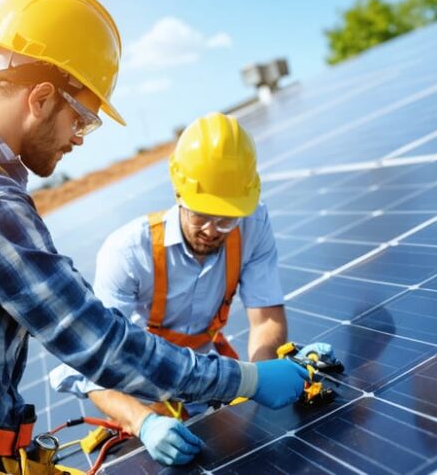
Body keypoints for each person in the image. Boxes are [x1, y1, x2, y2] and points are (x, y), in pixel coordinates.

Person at [0, 0, 307, 474]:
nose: (79, 139)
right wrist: (249, 381)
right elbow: (105, 348)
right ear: (42, 98)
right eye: (83, 120)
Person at [50, 112, 334, 466]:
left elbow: (265, 321)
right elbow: (96, 365)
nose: (213, 230)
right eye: (200, 213)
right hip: (139, 391)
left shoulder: (253, 224)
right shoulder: (127, 253)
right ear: (178, 191)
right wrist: (144, 423)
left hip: (214, 379)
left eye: (227, 217)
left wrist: (264, 374)